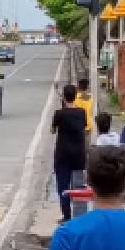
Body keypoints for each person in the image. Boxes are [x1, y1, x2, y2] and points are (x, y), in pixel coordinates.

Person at [53, 85, 88, 223]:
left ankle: (67, 216)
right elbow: (83, 127)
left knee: (63, 186)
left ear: (64, 96)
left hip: (62, 155)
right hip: (79, 154)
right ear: (75, 96)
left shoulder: (59, 114)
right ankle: (80, 216)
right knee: (79, 185)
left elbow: (52, 129)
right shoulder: (82, 112)